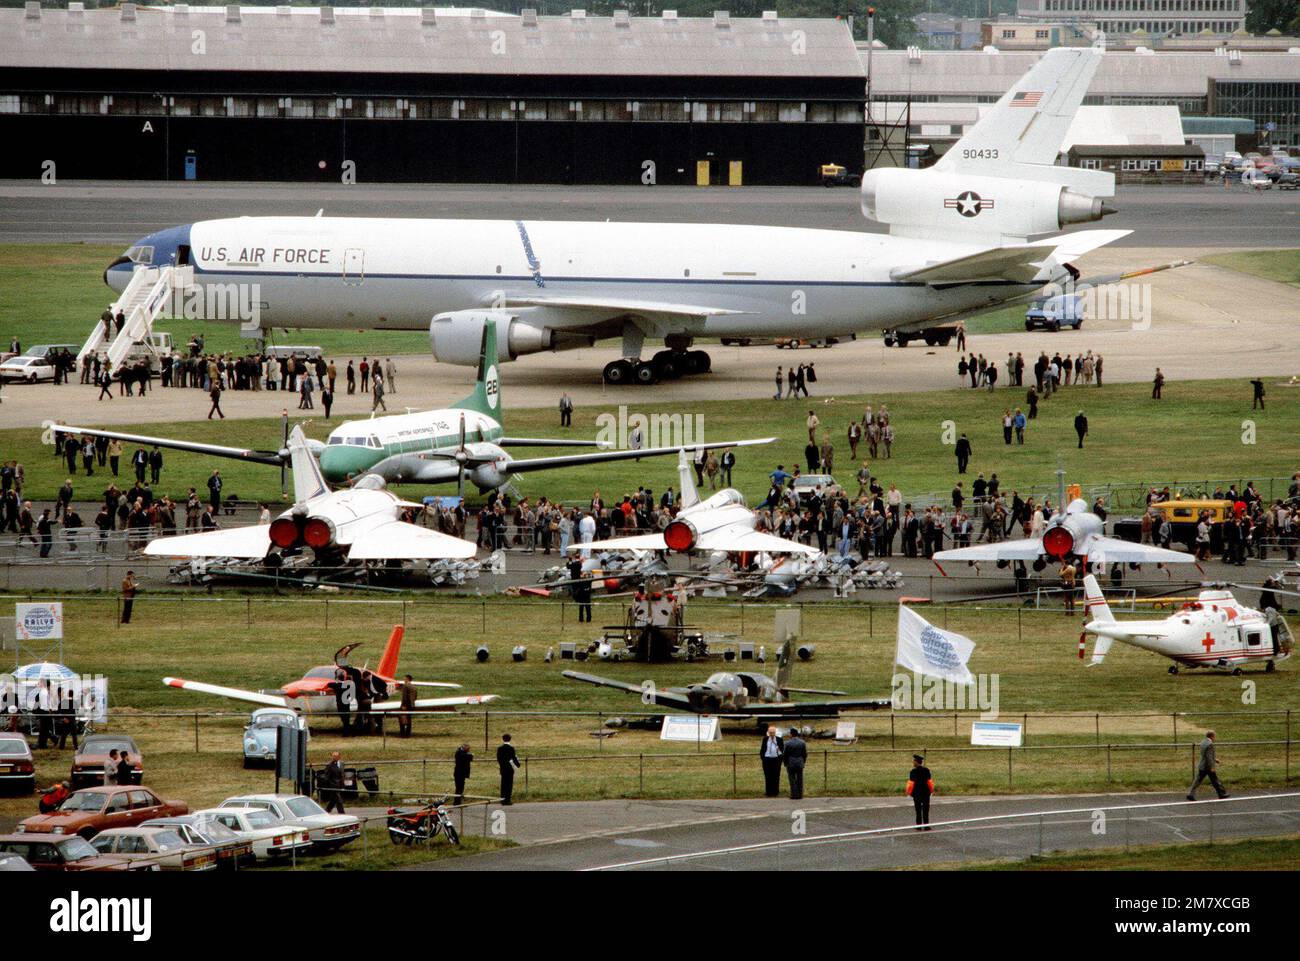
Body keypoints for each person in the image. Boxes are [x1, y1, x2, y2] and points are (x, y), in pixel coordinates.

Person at [1187, 730, 1229, 801]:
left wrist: (1215, 759)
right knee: (1215, 780)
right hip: (1208, 766)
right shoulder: (1210, 744)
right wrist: (1212, 766)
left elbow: (1205, 754)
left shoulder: (1203, 742)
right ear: (1212, 736)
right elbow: (1209, 757)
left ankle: (1190, 794)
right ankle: (1222, 794)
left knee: (1197, 781)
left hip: (1202, 765)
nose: (1215, 738)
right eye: (1214, 736)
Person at [906, 754, 934, 830]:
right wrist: (931, 791)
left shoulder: (913, 772)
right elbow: (929, 782)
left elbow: (911, 784)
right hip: (925, 793)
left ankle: (918, 826)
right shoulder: (926, 770)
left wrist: (909, 793)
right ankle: (926, 825)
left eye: (914, 761)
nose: (913, 762)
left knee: (918, 810)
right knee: (926, 810)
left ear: (916, 762)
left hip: (917, 793)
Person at [759, 726, 784, 798]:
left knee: (776, 776)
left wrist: (780, 758)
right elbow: (762, 749)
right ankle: (768, 792)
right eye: (770, 733)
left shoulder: (779, 740)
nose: (771, 734)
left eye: (773, 733)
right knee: (768, 776)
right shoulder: (765, 739)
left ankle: (775, 791)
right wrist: (763, 758)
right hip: (767, 760)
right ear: (768, 733)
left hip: (776, 760)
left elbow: (782, 750)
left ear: (775, 732)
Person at [783, 727, 807, 800]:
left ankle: (794, 794)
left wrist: (785, 762)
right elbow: (804, 754)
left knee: (792, 779)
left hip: (791, 762)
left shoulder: (787, 743)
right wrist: (803, 761)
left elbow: (785, 754)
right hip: (799, 762)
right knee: (800, 778)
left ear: (791, 734)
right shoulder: (802, 742)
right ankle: (800, 794)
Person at [497, 733, 521, 805]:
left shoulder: (500, 748)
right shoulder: (511, 748)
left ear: (503, 739)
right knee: (509, 784)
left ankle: (502, 799)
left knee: (503, 784)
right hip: (510, 768)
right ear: (510, 739)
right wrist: (518, 765)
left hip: (503, 768)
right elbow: (513, 758)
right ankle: (507, 800)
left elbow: (498, 758)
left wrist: (502, 765)